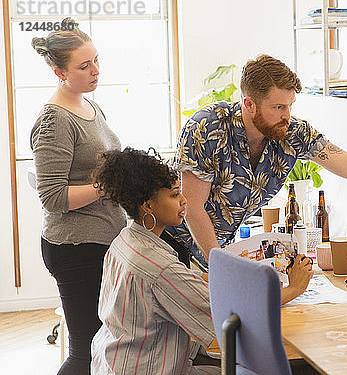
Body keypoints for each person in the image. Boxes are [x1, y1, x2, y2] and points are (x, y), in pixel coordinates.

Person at [163, 54, 347, 269]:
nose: (287, 115)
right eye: (278, 107)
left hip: (212, 254)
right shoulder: (207, 128)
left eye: (290, 106)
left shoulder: (291, 133)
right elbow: (193, 208)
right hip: (169, 248)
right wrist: (222, 268)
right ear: (248, 104)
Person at [89, 148, 311, 375]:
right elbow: (230, 315)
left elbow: (193, 278)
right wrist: (294, 288)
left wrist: (246, 276)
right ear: (148, 206)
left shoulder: (126, 240)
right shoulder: (159, 268)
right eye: (175, 195)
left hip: (113, 363)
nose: (184, 201)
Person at [30, 17, 126, 375]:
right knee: (86, 350)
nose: (95, 70)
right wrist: (112, 184)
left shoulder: (90, 106)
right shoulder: (55, 120)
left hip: (100, 240)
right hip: (75, 248)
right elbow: (53, 197)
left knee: (104, 346)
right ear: (59, 72)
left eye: (96, 60)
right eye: (84, 66)